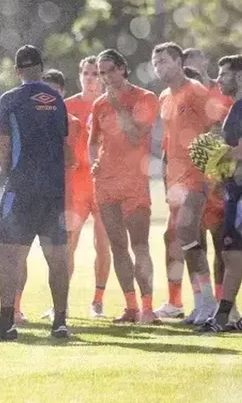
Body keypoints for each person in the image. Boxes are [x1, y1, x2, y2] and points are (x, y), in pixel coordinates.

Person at [0, 45, 70, 342]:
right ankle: (59, 322)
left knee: (6, 253)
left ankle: (6, 323)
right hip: (55, 189)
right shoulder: (57, 99)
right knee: (56, 255)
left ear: (17, 71)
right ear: (42, 69)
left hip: (21, 188)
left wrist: (2, 177)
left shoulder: (10, 99)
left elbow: (4, 144)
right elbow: (65, 147)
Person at [151, 42, 227, 325]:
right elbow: (168, 142)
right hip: (175, 181)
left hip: (199, 176)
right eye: (156, 63)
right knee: (186, 239)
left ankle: (210, 303)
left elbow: (217, 128)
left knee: (187, 233)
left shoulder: (196, 90)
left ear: (179, 62)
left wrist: (214, 175)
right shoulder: (164, 97)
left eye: (165, 62)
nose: (159, 67)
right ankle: (202, 303)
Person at [196, 55, 242, 333]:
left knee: (232, 253)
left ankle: (222, 318)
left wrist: (217, 154)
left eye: (224, 74)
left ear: (240, 77)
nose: (220, 79)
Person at [88, 50, 160, 324]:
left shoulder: (145, 98)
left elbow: (134, 136)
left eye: (109, 71)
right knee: (118, 246)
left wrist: (118, 106)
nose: (105, 78)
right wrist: (94, 163)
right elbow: (93, 141)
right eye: (101, 73)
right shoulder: (98, 105)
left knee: (140, 245)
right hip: (106, 183)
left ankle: (148, 308)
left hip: (134, 182)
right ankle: (131, 308)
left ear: (122, 69)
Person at [60, 56, 111, 318]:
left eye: (95, 73)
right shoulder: (66, 106)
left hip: (103, 185)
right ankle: (62, 302)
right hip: (75, 186)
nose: (90, 78)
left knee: (103, 245)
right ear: (80, 75)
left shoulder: (110, 105)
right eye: (86, 73)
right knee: (69, 244)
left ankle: (98, 300)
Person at [185, 48, 235, 307]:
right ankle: (202, 303)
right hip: (190, 179)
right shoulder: (184, 95)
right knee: (195, 244)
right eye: (188, 64)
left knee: (221, 244)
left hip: (218, 178)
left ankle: (222, 300)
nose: (193, 68)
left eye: (196, 61)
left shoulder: (222, 93)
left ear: (205, 63)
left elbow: (228, 132)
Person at [39, 70, 86, 320]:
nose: (48, 97)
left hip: (63, 197)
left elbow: (67, 157)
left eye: (54, 92)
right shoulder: (31, 118)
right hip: (37, 194)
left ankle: (61, 307)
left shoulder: (72, 122)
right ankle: (14, 308)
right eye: (44, 91)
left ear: (62, 93)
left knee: (61, 253)